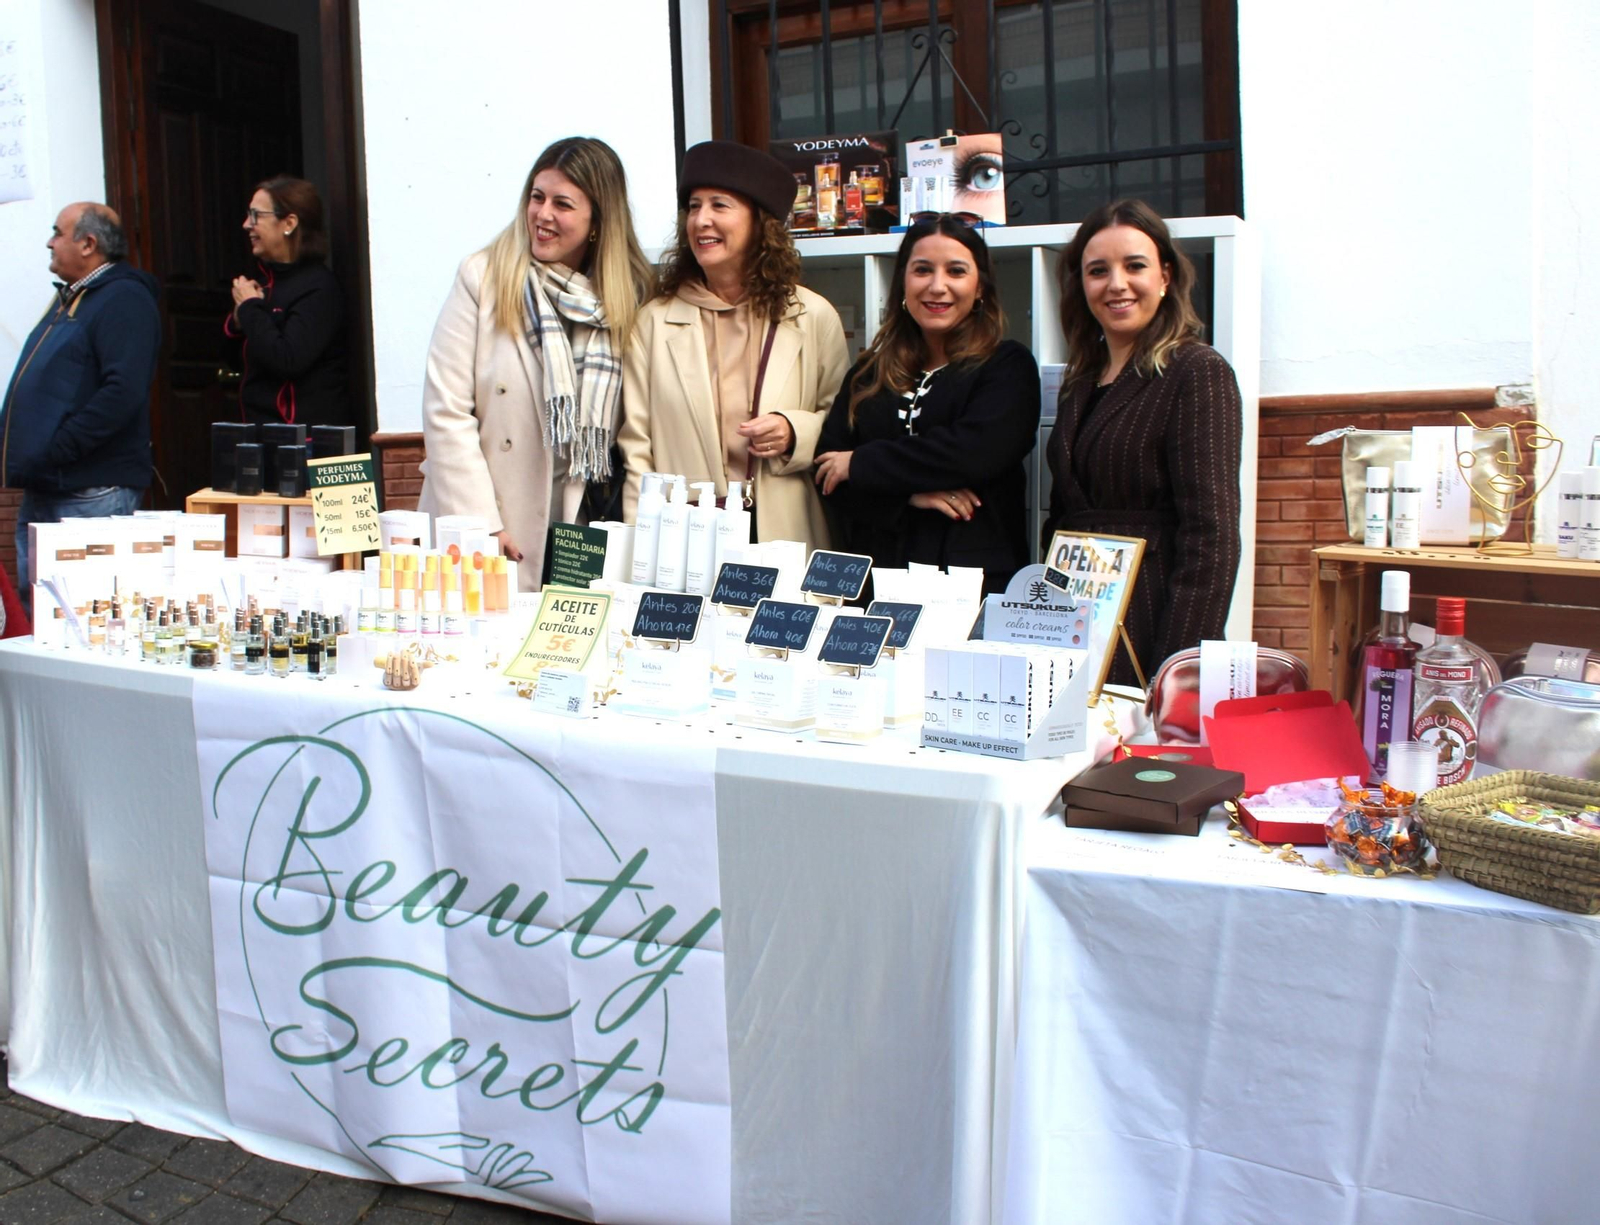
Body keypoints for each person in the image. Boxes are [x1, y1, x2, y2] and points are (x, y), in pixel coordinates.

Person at [418, 137, 654, 590]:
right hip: (491, 522)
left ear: (597, 223)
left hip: (578, 528)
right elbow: (445, 412)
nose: (543, 215)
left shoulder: (630, 297)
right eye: (537, 196)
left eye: (563, 204)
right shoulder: (484, 277)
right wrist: (480, 525)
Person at [1043, 197, 1243, 686]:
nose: (1116, 284)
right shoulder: (1081, 380)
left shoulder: (1198, 371)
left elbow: (1212, 538)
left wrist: (1176, 669)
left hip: (1155, 621)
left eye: (1135, 266)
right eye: (1097, 271)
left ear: (1166, 277)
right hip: (1073, 623)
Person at [619, 140, 847, 549]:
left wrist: (795, 431)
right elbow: (638, 447)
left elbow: (844, 426)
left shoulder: (812, 316)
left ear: (761, 223)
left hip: (784, 531)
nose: (701, 220)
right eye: (693, 206)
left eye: (719, 205)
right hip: (684, 538)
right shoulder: (652, 323)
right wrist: (641, 541)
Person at [814, 216, 1040, 593]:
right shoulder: (869, 372)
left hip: (974, 583)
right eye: (922, 270)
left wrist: (862, 463)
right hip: (875, 582)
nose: (938, 287)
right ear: (903, 281)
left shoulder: (1007, 366)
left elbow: (974, 452)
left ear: (979, 286)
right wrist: (907, 496)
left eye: (956, 271)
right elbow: (827, 473)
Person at [2, 202, 160, 606]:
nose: (49, 242)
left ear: (88, 244)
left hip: (90, 487)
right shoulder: (75, 298)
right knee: (40, 609)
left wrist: (59, 448)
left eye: (57, 232)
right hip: (50, 482)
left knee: (87, 609)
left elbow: (122, 392)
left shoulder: (123, 298)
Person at [224, 176, 351, 428]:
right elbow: (236, 363)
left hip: (316, 447)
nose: (246, 225)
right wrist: (239, 322)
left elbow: (288, 359)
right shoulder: (264, 285)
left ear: (289, 223)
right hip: (265, 439)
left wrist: (250, 309)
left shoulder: (319, 287)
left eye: (256, 215)